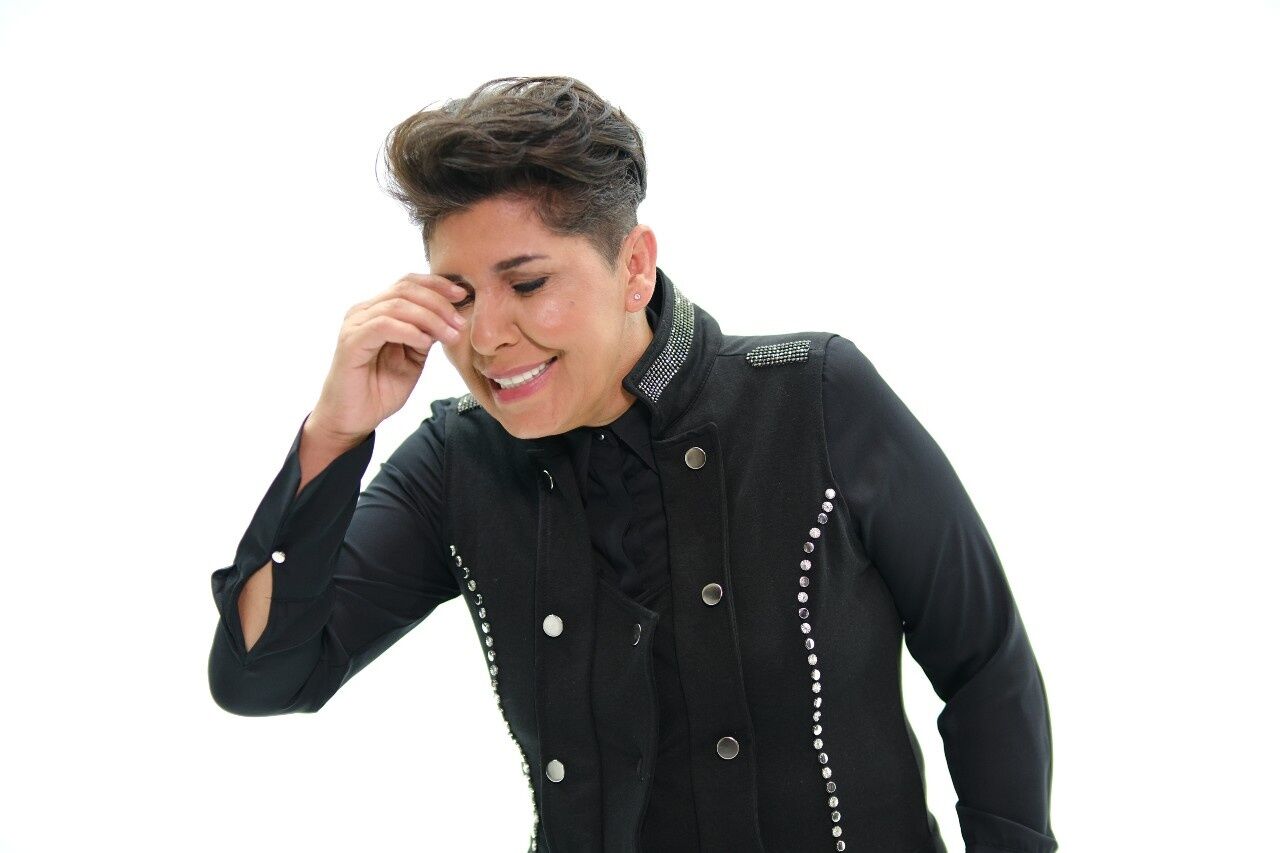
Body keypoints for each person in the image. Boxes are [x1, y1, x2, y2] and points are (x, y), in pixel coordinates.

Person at [207, 76, 1057, 853]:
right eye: (458, 295)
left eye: (528, 284)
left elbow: (983, 661)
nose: (487, 336)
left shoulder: (815, 398)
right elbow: (264, 673)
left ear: (635, 268)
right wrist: (335, 433)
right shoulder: (454, 462)